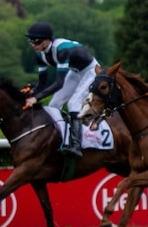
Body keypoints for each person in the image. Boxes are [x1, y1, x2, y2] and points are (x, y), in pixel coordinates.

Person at [23, 21, 101, 157]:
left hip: (91, 71)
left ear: (47, 41)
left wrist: (36, 98)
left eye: (36, 41)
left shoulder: (61, 50)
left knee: (73, 103)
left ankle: (76, 146)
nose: (33, 45)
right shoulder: (40, 55)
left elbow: (59, 83)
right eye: (31, 41)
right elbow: (42, 83)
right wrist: (32, 92)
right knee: (53, 105)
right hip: (75, 72)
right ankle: (57, 139)